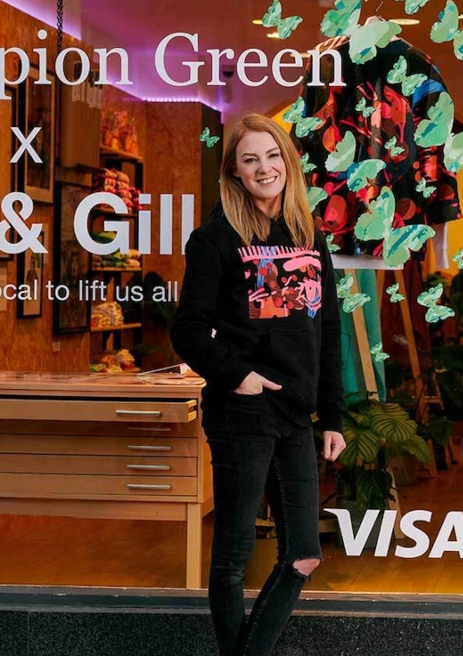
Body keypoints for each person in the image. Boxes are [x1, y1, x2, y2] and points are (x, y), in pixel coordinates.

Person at [170, 112, 347, 656]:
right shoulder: (215, 238)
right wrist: (238, 375)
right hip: (242, 412)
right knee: (233, 554)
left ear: (288, 164)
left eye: (272, 156)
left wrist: (333, 416)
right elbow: (188, 331)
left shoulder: (307, 236)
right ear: (236, 173)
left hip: (295, 414)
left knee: (302, 554)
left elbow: (327, 330)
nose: (263, 167)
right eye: (250, 159)